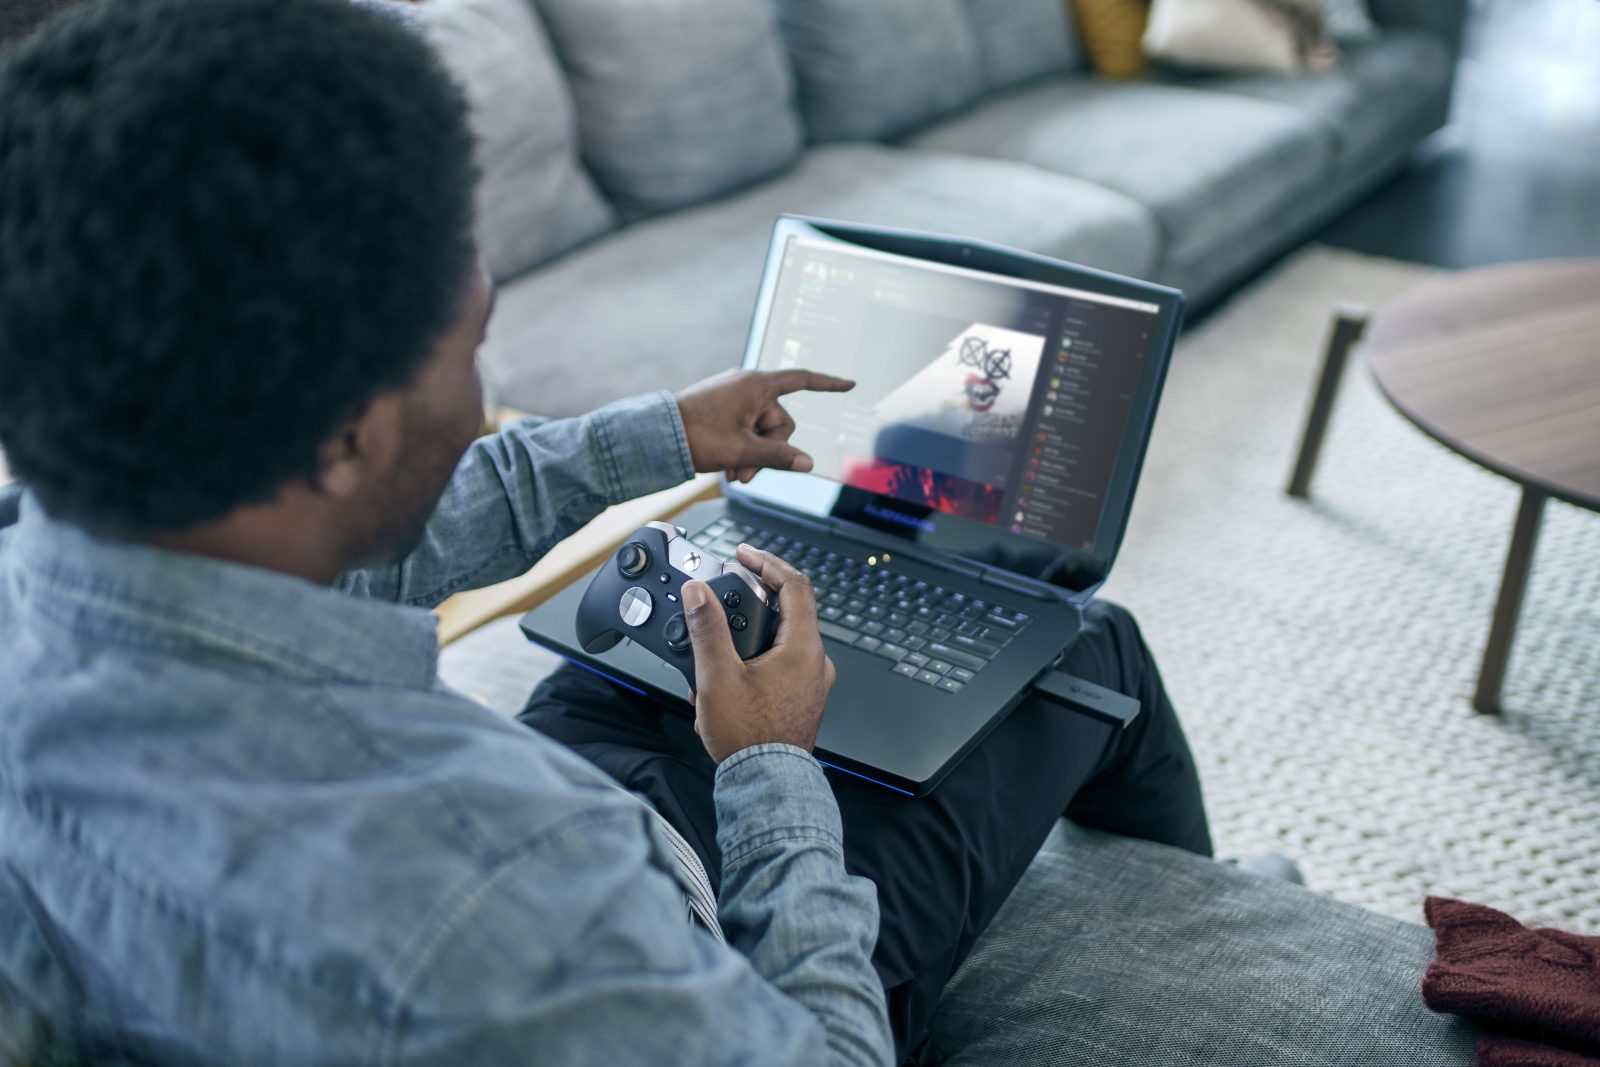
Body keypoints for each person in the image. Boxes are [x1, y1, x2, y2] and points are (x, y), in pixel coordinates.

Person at [0, 1, 1212, 1063]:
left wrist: (663, 436)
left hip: (584, 858)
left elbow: (364, 556)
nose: (481, 393)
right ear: (349, 436)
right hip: (714, 965)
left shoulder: (62, 567)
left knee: (644, 659)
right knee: (1089, 642)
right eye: (470, 346)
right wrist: (768, 771)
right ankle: (1199, 922)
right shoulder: (505, 884)